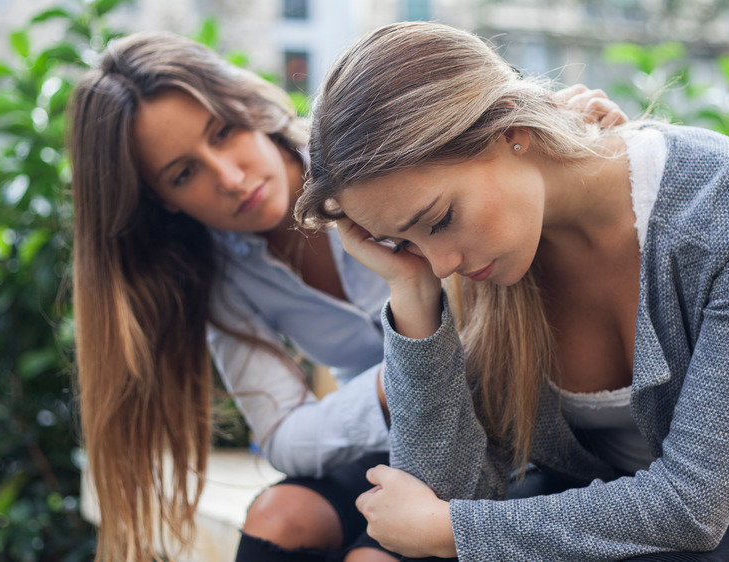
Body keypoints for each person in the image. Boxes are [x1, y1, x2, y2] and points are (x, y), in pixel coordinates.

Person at [295, 21, 729, 561]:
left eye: (440, 218)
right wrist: (411, 293)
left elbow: (696, 506)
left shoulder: (728, 199)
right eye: (405, 240)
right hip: (595, 535)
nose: (440, 261)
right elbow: (446, 493)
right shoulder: (481, 266)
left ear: (512, 131)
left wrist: (455, 530)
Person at [66, 30, 626, 562]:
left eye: (223, 132)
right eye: (184, 173)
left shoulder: (370, 164)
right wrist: (391, 386)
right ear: (161, 199)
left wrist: (572, 138)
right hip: (390, 435)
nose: (230, 177)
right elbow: (283, 436)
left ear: (247, 107)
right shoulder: (219, 276)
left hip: (497, 427)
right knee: (281, 515)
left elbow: (493, 141)